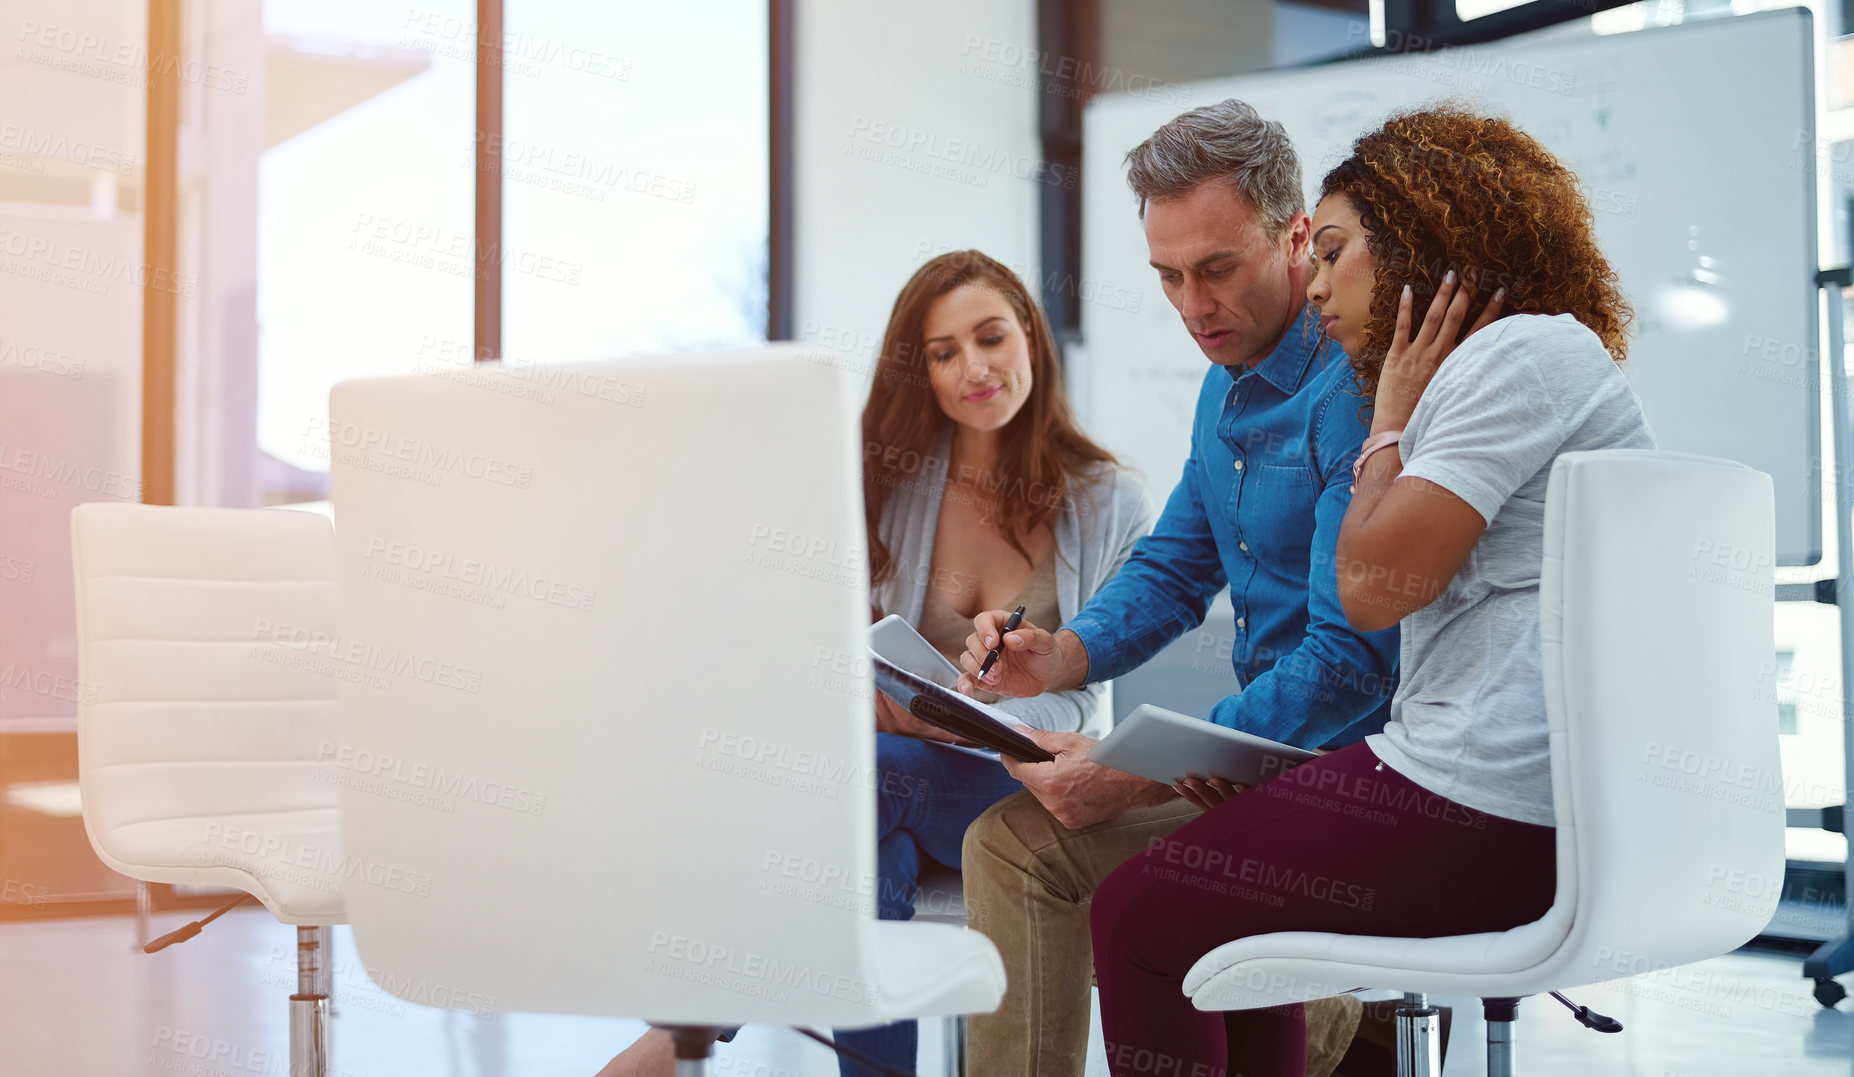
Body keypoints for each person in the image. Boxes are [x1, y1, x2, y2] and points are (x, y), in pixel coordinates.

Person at [1083, 105, 1653, 1074]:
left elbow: (1371, 591)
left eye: (1335, 251)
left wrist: (1385, 420)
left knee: (1135, 915)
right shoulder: (1516, 362)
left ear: (1422, 242)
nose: (1316, 286)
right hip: (1509, 797)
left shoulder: (1511, 359)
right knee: (1212, 917)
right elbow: (1195, 562)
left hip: (1486, 805)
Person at [595, 250, 1154, 1077]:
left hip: (1017, 782)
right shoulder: (888, 483)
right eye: (943, 352)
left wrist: (969, 718)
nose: (975, 368)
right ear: (920, 370)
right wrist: (866, 693)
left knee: (868, 779)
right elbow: (821, 648)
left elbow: (1085, 708)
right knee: (872, 841)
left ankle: (687, 1023)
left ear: (1029, 336)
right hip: (892, 785)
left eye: (991, 337)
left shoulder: (1110, 499)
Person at [950, 99, 1400, 1077]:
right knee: (1008, 847)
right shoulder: (1225, 384)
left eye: (1216, 270)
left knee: (1139, 893)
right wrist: (1061, 654)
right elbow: (1174, 562)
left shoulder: (1351, 392)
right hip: (1248, 777)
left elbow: (1347, 662)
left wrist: (1135, 768)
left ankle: (1334, 1010)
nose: (1192, 305)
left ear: (1293, 238)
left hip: (1346, 787)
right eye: (1167, 277)